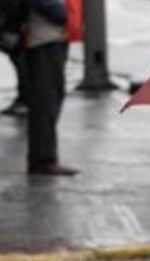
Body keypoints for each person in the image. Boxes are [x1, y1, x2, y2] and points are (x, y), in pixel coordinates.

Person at [24, 0, 76, 175]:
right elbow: (53, 10)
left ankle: (43, 158)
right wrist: (62, 12)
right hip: (44, 40)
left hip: (51, 37)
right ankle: (43, 159)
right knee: (46, 101)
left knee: (50, 99)